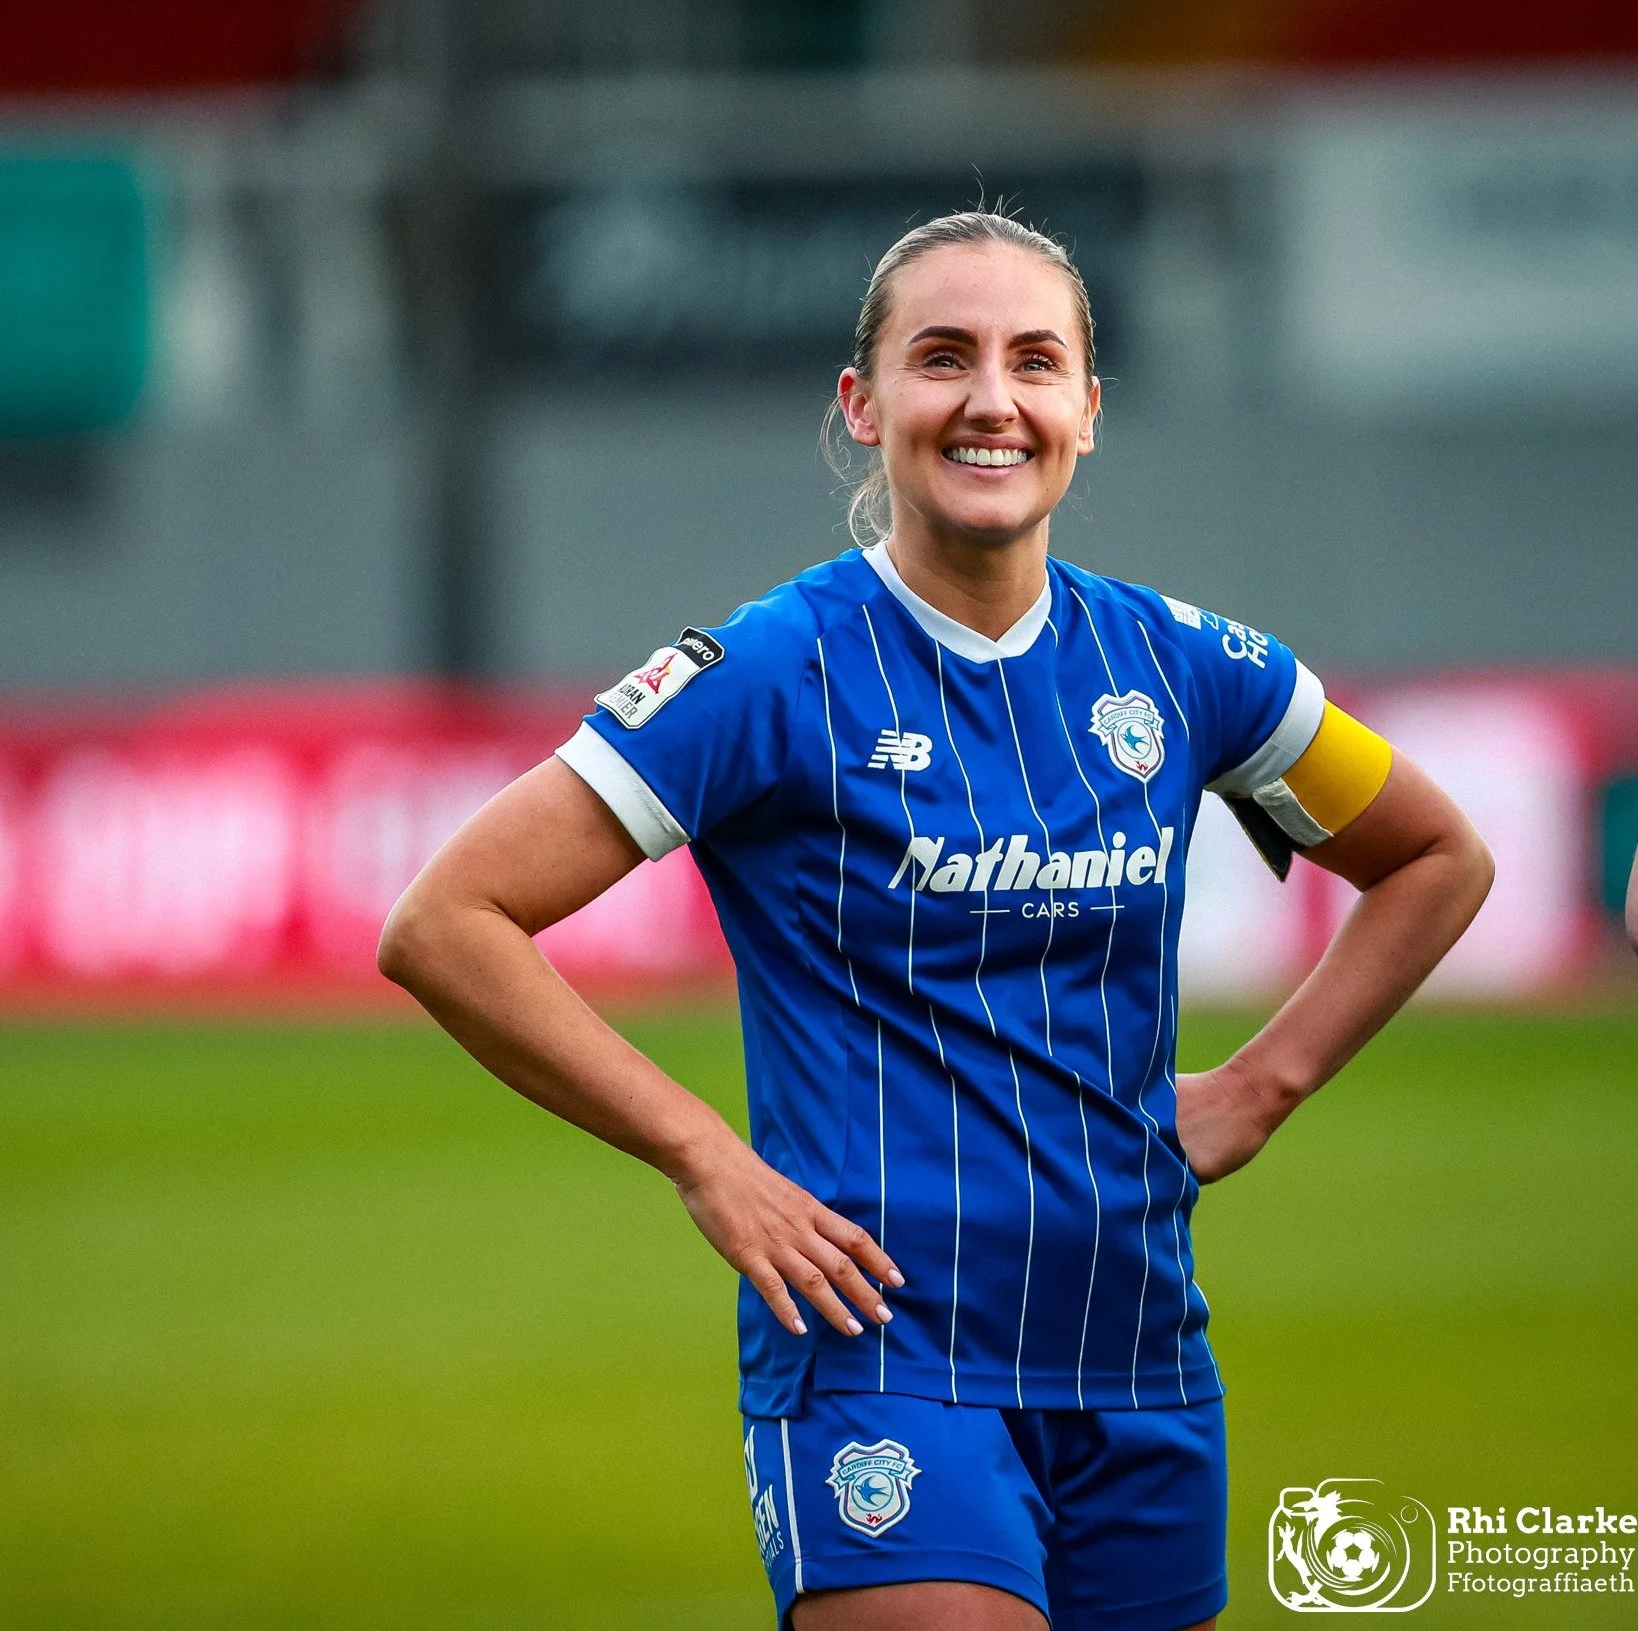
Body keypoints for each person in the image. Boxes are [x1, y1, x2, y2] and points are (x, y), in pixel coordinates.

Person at [378, 212, 1494, 1631]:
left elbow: (1436, 854)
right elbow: (447, 917)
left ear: (1087, 406)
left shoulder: (1189, 665)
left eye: (1035, 361)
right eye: (941, 357)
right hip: (878, 1353)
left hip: (1139, 1351)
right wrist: (701, 1153)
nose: (990, 399)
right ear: (863, 405)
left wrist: (1265, 1085)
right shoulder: (770, 668)